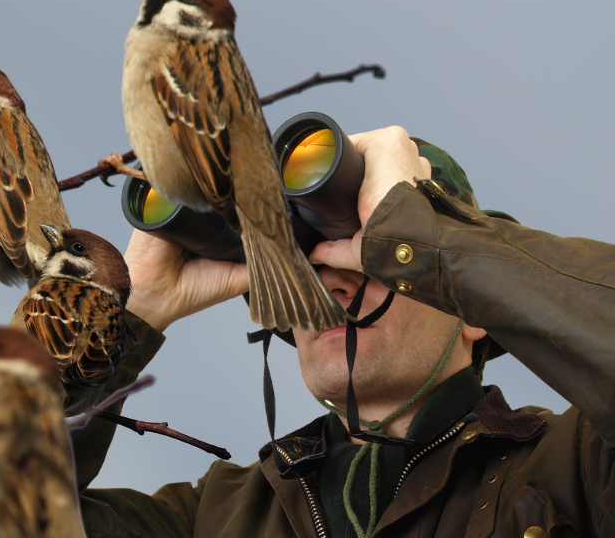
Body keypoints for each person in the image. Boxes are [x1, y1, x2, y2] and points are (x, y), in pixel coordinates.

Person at [72, 126, 615, 537]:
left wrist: (418, 237)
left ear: (474, 311)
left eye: (371, 260)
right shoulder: (219, 517)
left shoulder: (573, 466)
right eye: (308, 265)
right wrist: (120, 312)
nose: (330, 287)